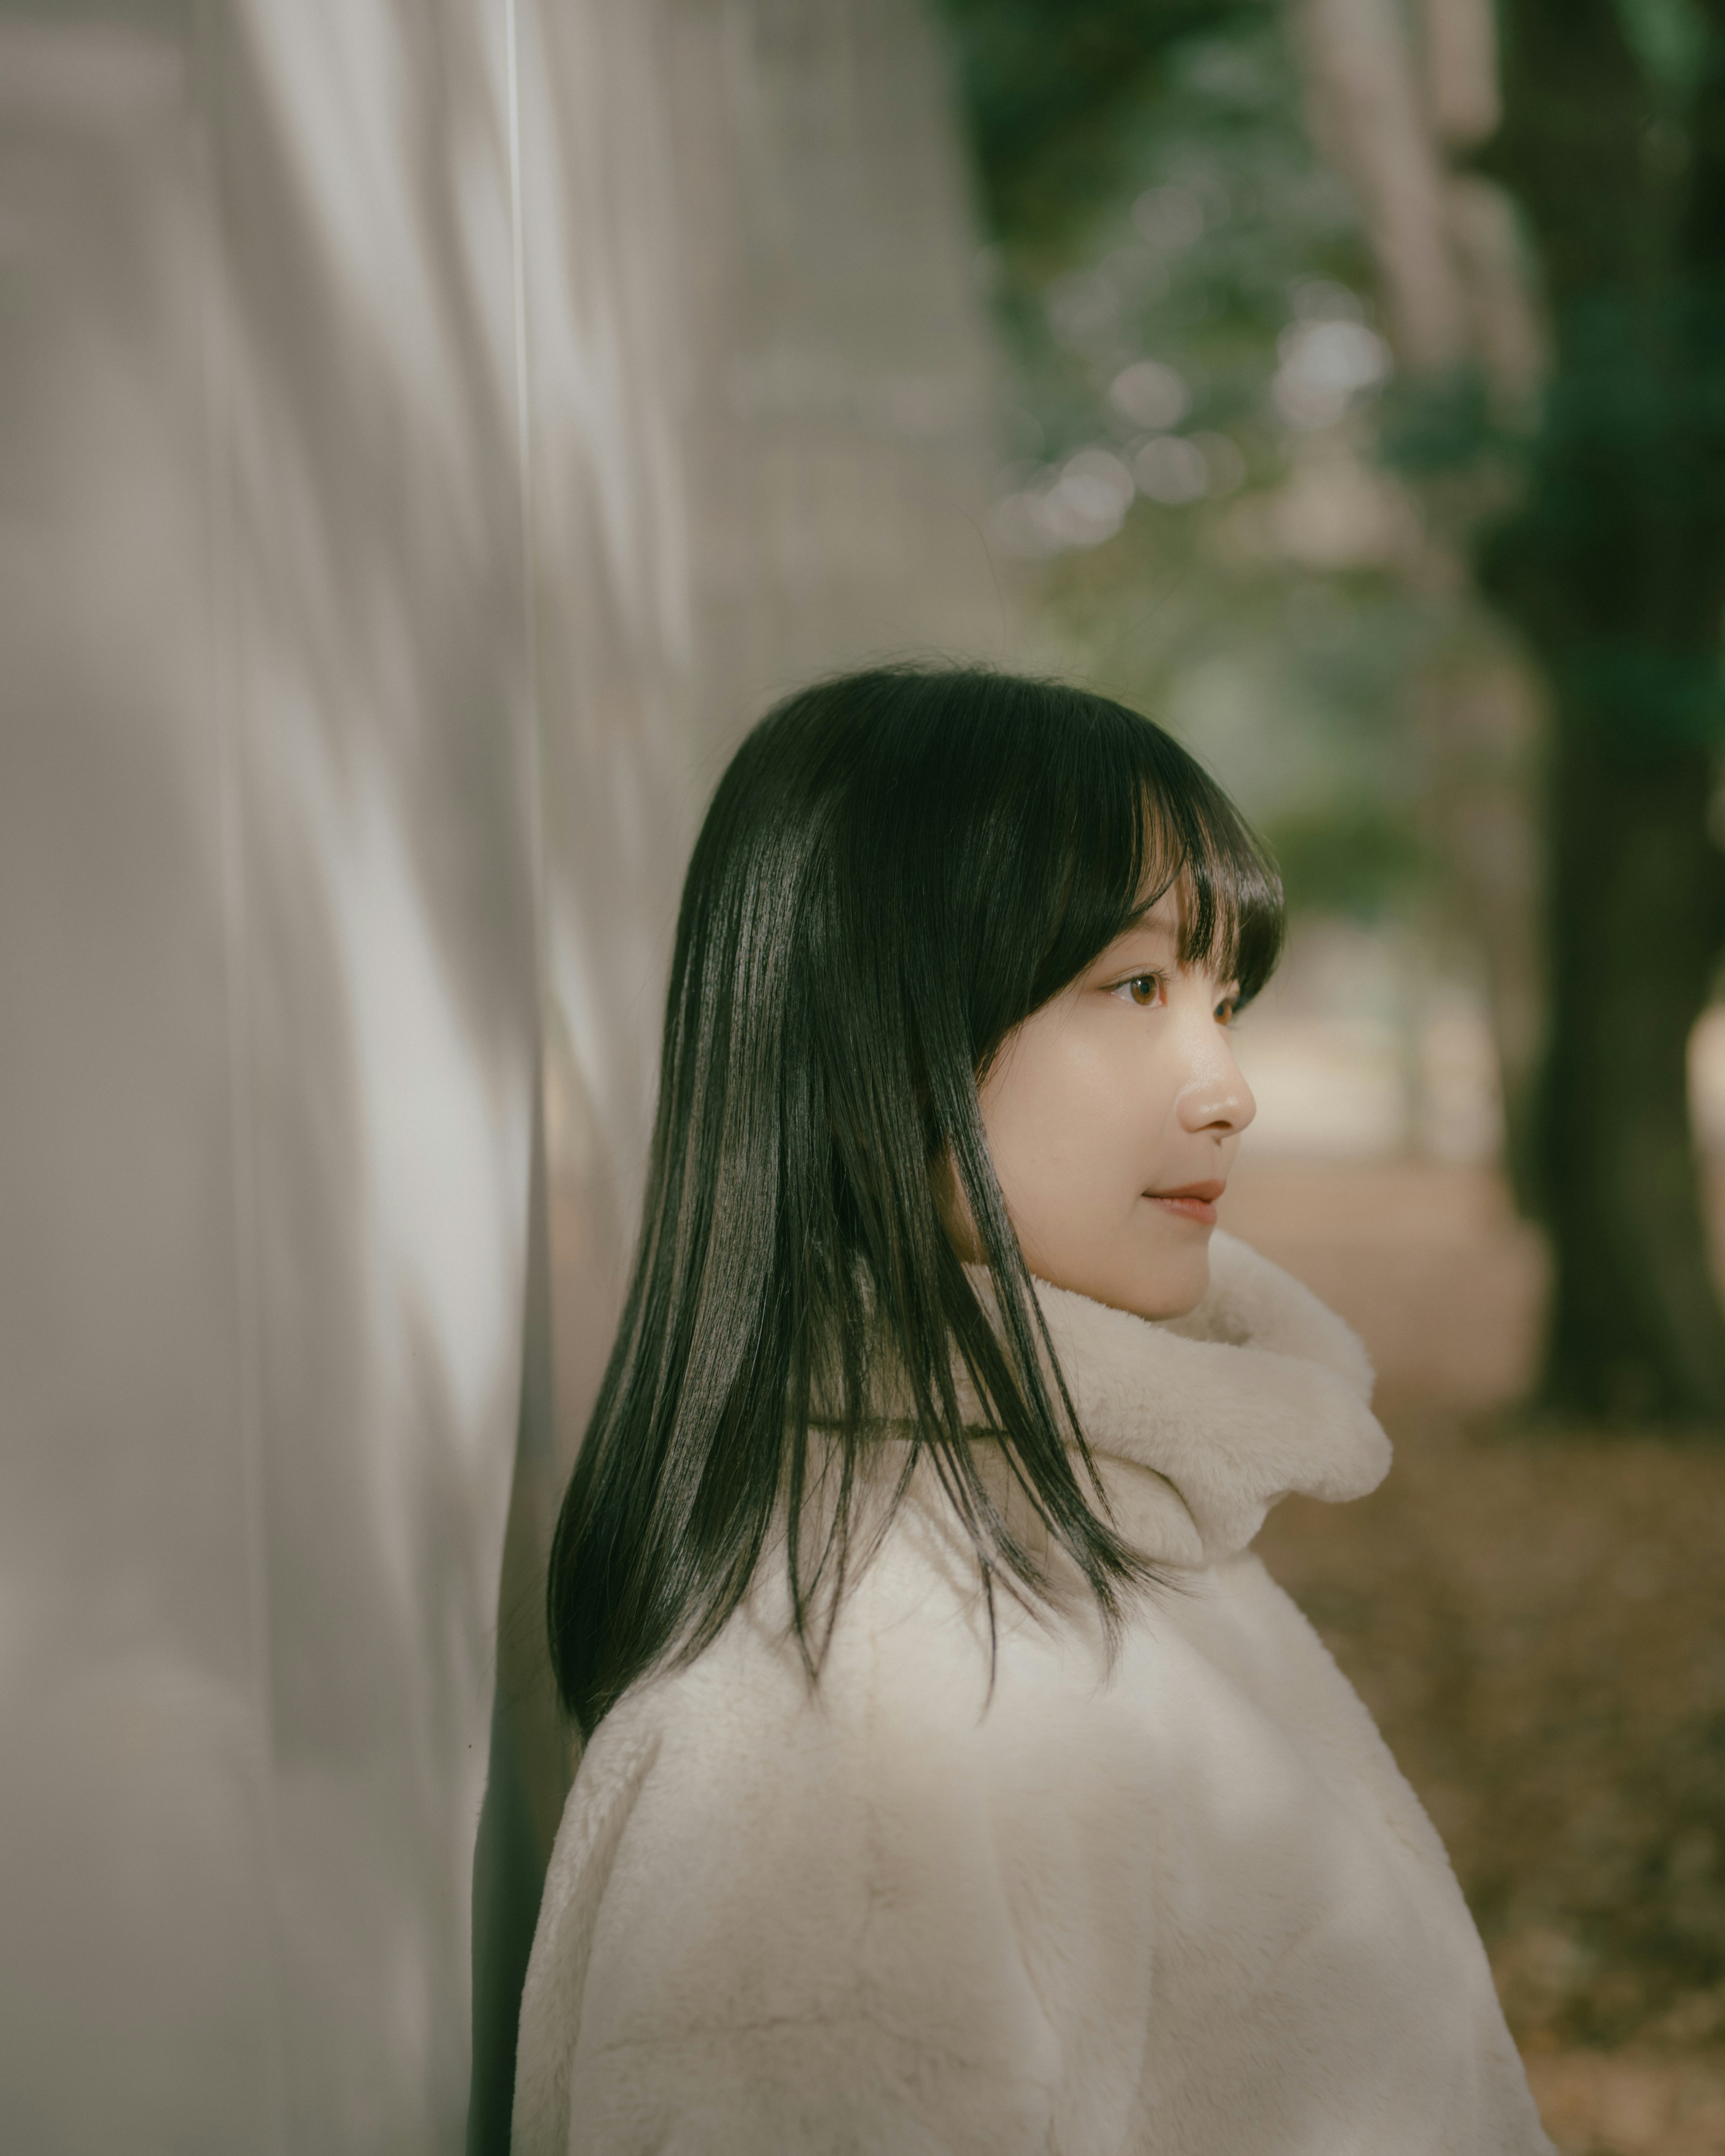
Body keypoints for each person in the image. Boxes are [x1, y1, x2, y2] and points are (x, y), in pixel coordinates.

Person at [510, 666, 1554, 2155]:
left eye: (1226, 1000)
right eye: (1134, 987)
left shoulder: (1077, 1528)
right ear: (877, 1029)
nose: (1228, 1089)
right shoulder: (870, 1731)